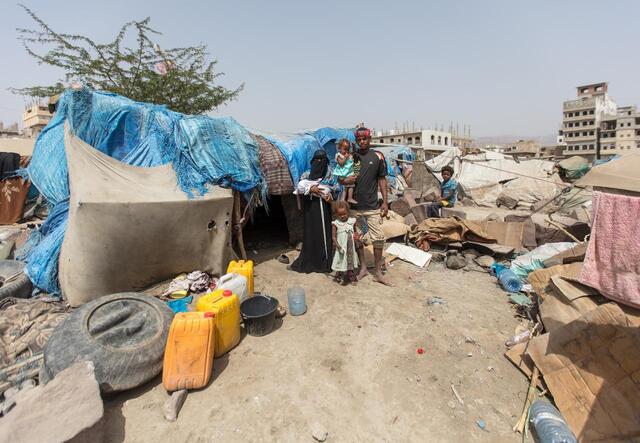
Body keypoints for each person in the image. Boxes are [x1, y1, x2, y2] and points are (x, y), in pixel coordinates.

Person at [343, 127, 392, 286]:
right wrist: (345, 180)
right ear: (356, 141)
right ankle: (363, 267)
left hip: (372, 206)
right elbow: (341, 179)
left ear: (370, 139)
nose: (362, 142)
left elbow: (382, 180)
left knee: (378, 239)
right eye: (359, 140)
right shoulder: (353, 158)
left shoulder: (378, 156)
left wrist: (384, 202)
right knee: (357, 239)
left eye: (365, 139)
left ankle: (377, 272)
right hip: (354, 206)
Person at [290, 150, 334, 274]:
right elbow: (299, 189)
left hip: (323, 209)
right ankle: (310, 260)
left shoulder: (330, 175)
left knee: (323, 234)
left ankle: (323, 262)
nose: (319, 163)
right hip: (309, 209)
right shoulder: (306, 175)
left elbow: (335, 190)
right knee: (310, 233)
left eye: (322, 160)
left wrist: (329, 195)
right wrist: (311, 189)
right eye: (317, 160)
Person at [331, 200, 359, 285]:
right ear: (336, 214)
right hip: (341, 246)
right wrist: (337, 245)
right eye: (340, 215)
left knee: (350, 259)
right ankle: (339, 274)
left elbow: (355, 232)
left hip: (350, 245)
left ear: (348, 212)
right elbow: (333, 236)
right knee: (341, 260)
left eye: (344, 214)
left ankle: (350, 274)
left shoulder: (352, 221)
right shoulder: (336, 223)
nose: (342, 216)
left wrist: (357, 238)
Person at [333, 139, 357, 205]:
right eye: (344, 149)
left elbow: (352, 161)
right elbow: (341, 163)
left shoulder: (349, 155)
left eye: (348, 149)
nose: (346, 151)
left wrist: (350, 156)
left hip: (348, 173)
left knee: (351, 185)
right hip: (342, 173)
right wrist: (345, 157)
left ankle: (350, 197)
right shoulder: (338, 155)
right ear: (339, 148)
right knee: (344, 187)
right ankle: (343, 199)